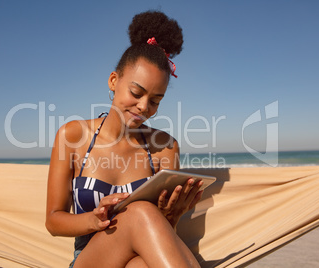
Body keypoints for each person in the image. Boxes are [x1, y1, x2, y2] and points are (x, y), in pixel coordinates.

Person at [46, 10, 203, 268]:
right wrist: (93, 220)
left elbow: (162, 233)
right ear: (113, 81)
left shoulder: (165, 147)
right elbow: (53, 220)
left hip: (143, 259)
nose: (144, 107)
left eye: (155, 100)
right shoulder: (73, 136)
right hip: (91, 259)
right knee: (139, 212)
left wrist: (172, 218)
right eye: (136, 92)